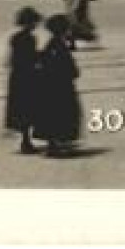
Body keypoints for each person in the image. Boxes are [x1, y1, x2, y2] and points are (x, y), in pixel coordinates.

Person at [34, 13, 82, 157]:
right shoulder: (61, 46)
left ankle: (52, 143)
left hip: (49, 86)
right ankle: (56, 143)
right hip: (62, 87)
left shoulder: (50, 44)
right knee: (63, 113)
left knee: (51, 114)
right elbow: (70, 69)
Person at [4, 7, 44, 155]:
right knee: (29, 109)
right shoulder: (31, 39)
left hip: (16, 78)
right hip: (28, 78)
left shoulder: (14, 38)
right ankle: (26, 142)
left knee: (20, 110)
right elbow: (32, 58)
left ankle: (25, 139)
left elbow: (11, 59)